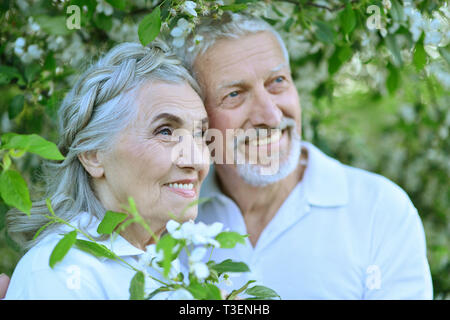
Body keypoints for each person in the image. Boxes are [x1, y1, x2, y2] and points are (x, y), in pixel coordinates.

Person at [175, 12, 433, 299]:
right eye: (234, 94)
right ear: (197, 116)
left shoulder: (379, 210)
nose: (271, 116)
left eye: (277, 81)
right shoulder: (172, 217)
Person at [3, 41, 210, 299]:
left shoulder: (165, 264)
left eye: (200, 134)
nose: (197, 160)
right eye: (165, 131)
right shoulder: (60, 271)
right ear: (92, 156)